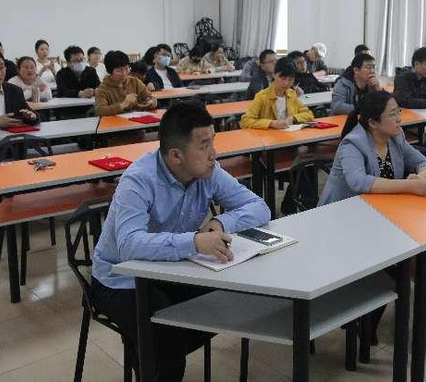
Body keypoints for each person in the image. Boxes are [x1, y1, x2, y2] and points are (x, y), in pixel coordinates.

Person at [91, 102, 271, 380]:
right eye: (204, 146)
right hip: (120, 280)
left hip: (173, 270)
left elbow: (259, 207)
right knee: (165, 334)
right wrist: (194, 242)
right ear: (176, 155)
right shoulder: (138, 180)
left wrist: (221, 222)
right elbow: (129, 245)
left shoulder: (208, 172)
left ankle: (150, 354)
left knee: (224, 304)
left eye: (213, 142)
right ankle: (152, 356)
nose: (214, 154)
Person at [318, 90, 426, 357]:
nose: (400, 118)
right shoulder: (353, 143)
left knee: (425, 254)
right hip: (344, 224)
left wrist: (420, 177)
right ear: (373, 122)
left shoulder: (395, 137)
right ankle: (365, 323)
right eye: (393, 114)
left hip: (381, 218)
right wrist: (408, 186)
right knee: (401, 262)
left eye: (398, 111)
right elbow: (359, 182)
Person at [240, 58, 314, 129]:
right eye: (283, 78)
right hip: (268, 136)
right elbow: (245, 121)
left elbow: (309, 114)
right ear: (274, 75)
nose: (286, 83)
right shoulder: (262, 96)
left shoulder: (292, 94)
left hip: (289, 134)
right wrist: (271, 123)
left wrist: (293, 118)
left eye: (290, 80)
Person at [95, 50, 157, 116]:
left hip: (136, 119)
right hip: (115, 121)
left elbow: (151, 98)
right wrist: (123, 104)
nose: (124, 73)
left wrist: (151, 102)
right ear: (110, 72)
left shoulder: (135, 81)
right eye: (119, 71)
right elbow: (100, 111)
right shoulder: (102, 88)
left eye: (127, 68)